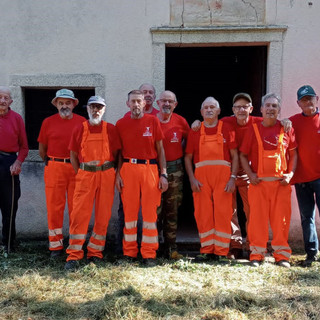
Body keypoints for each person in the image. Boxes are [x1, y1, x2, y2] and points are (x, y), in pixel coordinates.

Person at [240, 93, 297, 268]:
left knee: (281, 221)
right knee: (257, 220)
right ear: (261, 109)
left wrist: (290, 174)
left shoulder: (287, 128)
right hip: (259, 185)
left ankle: (282, 256)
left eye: (274, 106)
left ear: (279, 110)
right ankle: (257, 254)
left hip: (281, 184)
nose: (271, 109)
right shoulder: (253, 129)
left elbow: (294, 155)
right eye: (268, 106)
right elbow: (242, 155)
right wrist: (250, 175)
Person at [65, 96, 121, 270]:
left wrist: (116, 173)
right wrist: (81, 172)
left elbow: (119, 154)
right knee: (79, 215)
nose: (96, 110)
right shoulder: (79, 129)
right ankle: (74, 255)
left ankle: (95, 253)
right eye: (93, 107)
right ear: (87, 109)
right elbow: (73, 155)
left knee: (103, 215)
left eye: (99, 107)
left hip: (106, 174)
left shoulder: (111, 129)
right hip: (85, 175)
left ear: (104, 110)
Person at [116, 89, 168, 266]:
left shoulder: (153, 121)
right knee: (129, 214)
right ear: (127, 104)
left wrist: (164, 173)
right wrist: (117, 175)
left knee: (149, 214)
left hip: (150, 168)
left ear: (145, 104)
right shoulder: (120, 124)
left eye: (139, 101)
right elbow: (118, 153)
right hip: (128, 168)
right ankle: (129, 252)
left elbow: (160, 149)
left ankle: (149, 253)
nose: (136, 104)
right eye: (133, 101)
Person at [185, 97, 238, 262]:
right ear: (201, 112)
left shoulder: (227, 128)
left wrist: (233, 179)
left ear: (219, 111)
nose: (209, 110)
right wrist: (192, 179)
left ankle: (221, 251)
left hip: (223, 176)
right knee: (203, 212)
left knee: (223, 212)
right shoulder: (195, 130)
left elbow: (235, 156)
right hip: (201, 176)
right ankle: (207, 250)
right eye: (206, 107)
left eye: (212, 107)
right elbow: (187, 158)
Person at [38, 89, 86, 258]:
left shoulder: (82, 122)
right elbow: (42, 149)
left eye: (68, 103)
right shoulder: (48, 122)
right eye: (61, 103)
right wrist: (53, 162)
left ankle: (75, 245)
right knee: (54, 208)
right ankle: (56, 246)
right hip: (54, 167)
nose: (64, 106)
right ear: (56, 105)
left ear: (74, 104)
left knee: (77, 209)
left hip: (76, 169)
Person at [156, 90, 190, 259]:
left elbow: (189, 141)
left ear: (175, 104)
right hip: (154, 170)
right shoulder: (151, 121)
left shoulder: (181, 121)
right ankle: (153, 248)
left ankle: (171, 248)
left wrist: (180, 155)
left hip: (175, 169)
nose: (167, 104)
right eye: (163, 101)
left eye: (170, 101)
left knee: (172, 210)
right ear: (157, 103)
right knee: (155, 211)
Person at [290, 85, 320, 267]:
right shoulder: (293, 122)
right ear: (298, 103)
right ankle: (311, 254)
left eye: (310, 98)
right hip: (302, 179)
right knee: (306, 217)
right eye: (304, 99)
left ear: (317, 99)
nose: (308, 102)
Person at [0, 86, 28, 253]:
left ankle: (9, 244)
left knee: (10, 205)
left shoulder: (17, 118)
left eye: (6, 98)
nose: (2, 100)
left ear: (11, 101)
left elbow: (24, 147)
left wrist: (18, 162)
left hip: (9, 162)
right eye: (0, 97)